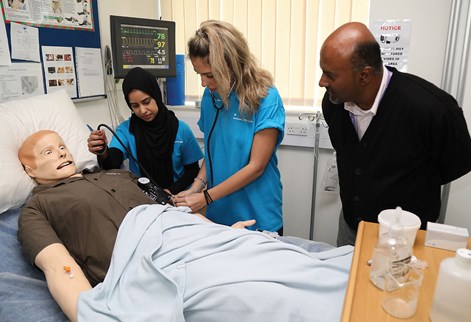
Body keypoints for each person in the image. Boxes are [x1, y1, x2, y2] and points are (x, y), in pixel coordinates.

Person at [17, 130, 352, 322]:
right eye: (48, 152)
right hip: (145, 260)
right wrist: (86, 313)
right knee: (257, 296)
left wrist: (217, 231)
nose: (61, 153)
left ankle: (357, 294)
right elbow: (60, 269)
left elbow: (170, 208)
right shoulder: (37, 208)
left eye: (62, 146)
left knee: (283, 258)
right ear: (30, 170)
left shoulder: (116, 173)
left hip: (189, 235)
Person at [318, 22, 471, 246]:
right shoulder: (333, 103)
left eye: (330, 75)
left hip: (405, 236)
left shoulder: (431, 108)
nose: (322, 82)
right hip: (352, 227)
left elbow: (456, 164)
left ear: (364, 76)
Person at [173, 20, 285, 234]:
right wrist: (196, 186)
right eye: (200, 75)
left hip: (257, 214)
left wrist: (205, 196)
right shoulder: (211, 96)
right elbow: (214, 150)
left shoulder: (266, 98)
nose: (204, 84)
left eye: (210, 75)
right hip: (219, 212)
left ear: (233, 64)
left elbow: (256, 167)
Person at [87, 67, 203, 194]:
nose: (142, 110)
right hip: (143, 198)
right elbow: (113, 162)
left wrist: (170, 191)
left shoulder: (181, 130)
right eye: (135, 106)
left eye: (146, 102)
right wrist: (102, 150)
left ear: (156, 96)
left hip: (178, 197)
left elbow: (192, 171)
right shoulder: (125, 130)